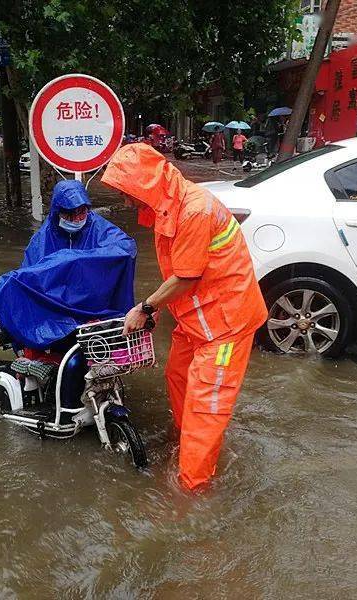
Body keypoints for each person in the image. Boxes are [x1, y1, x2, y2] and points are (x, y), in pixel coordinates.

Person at [101, 143, 268, 491]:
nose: (126, 202)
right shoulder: (169, 209)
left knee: (205, 406)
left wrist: (146, 307)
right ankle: (186, 442)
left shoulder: (195, 211)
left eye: (127, 193)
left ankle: (192, 491)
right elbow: (181, 274)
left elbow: (186, 276)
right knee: (178, 377)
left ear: (145, 186)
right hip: (196, 318)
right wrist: (160, 308)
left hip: (226, 324)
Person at [0, 179, 137, 351]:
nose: (76, 219)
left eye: (81, 212)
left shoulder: (99, 228)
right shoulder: (42, 239)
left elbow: (127, 248)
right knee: (10, 286)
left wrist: (74, 260)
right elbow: (29, 277)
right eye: (69, 214)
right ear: (58, 211)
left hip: (93, 306)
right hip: (57, 310)